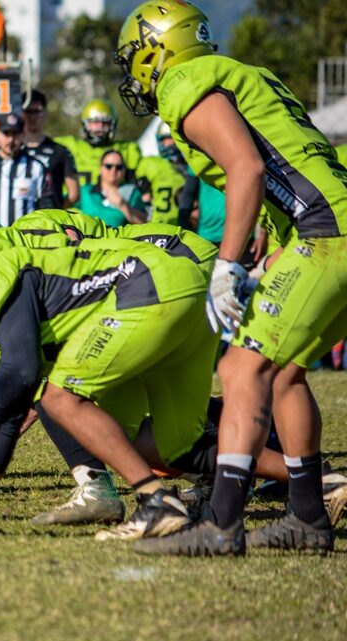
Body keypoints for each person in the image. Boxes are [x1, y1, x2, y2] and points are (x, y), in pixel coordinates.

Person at [114, 0, 347, 556]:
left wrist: (226, 264)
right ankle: (308, 517)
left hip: (325, 231)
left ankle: (220, 524)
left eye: (135, 58)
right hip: (328, 225)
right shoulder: (245, 74)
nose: (135, 73)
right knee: (285, 371)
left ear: (157, 48)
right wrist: (269, 234)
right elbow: (286, 156)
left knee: (241, 367)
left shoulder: (184, 82)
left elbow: (248, 166)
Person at [0, 239, 218, 538]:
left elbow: (22, 374)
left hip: (148, 290)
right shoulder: (0, 321)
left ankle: (155, 501)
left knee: (58, 398)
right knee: (180, 444)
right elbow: (13, 411)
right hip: (183, 286)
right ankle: (239, 478)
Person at [55, 99, 143, 188]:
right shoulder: (68, 145)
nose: (100, 127)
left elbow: (149, 167)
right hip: (75, 201)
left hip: (112, 200)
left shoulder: (127, 149)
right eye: (95, 122)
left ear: (113, 125)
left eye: (105, 123)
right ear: (85, 124)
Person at [21, 90, 80, 208]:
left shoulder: (60, 151)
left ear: (45, 113)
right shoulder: (13, 150)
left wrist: (56, 212)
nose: (33, 116)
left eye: (37, 111)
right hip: (18, 221)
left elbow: (74, 194)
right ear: (21, 113)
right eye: (28, 111)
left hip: (49, 223)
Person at [77, 150, 147, 227]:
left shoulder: (132, 192)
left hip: (118, 238)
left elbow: (144, 222)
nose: (113, 170)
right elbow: (63, 204)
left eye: (119, 167)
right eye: (108, 166)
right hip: (88, 238)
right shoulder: (85, 191)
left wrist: (123, 205)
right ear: (100, 168)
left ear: (124, 170)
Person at [134, 123, 186, 225]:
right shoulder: (150, 163)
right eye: (167, 139)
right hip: (155, 222)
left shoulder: (189, 166)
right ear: (160, 141)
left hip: (182, 224)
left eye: (174, 138)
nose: (171, 143)